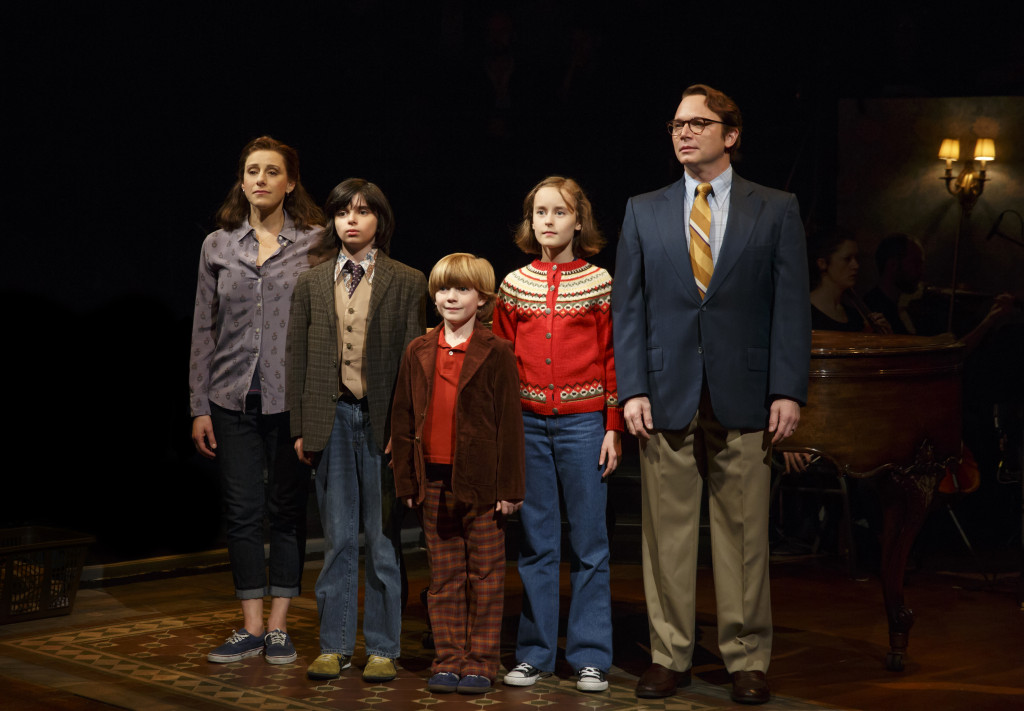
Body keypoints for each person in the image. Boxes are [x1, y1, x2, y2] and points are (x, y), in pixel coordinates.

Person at [611, 84, 811, 705]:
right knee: (666, 534)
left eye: (698, 123)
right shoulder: (643, 209)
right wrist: (632, 389)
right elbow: (629, 308)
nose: (683, 132)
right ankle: (669, 654)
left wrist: (788, 389)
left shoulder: (775, 208)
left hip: (746, 390)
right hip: (666, 390)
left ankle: (746, 657)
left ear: (732, 134)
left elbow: (790, 309)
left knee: (744, 533)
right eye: (676, 123)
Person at [189, 135, 328, 665]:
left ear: (290, 182)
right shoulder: (218, 245)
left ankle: (278, 627)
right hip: (230, 397)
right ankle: (249, 625)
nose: (261, 180)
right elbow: (204, 326)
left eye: (273, 171)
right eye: (253, 171)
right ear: (242, 180)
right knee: (243, 512)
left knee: (287, 511)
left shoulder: (315, 244)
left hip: (289, 398)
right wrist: (198, 404)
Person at [286, 178, 426, 683]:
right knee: (339, 537)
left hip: (382, 422)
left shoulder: (407, 280)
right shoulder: (311, 281)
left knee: (383, 538)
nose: (351, 220)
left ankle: (384, 646)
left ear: (379, 222)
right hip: (332, 418)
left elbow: (415, 363)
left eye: (363, 212)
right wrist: (302, 426)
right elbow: (297, 356)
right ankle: (334, 644)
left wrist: (406, 429)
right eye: (343, 211)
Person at [493, 176, 623, 693]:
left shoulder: (598, 282)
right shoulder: (514, 284)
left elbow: (613, 358)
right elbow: (501, 365)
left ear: (578, 221)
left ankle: (590, 654)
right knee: (536, 543)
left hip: (584, 424)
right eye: (539, 212)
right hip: (527, 426)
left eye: (559, 212)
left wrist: (612, 426)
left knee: (590, 542)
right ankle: (536, 653)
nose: (548, 221)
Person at [391, 253, 525, 695]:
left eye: (462, 288)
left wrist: (510, 488)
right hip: (433, 482)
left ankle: (482, 660)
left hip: (482, 484)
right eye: (444, 288)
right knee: (444, 577)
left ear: (482, 298)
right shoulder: (418, 349)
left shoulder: (497, 351)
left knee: (485, 577)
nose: (451, 296)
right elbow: (404, 417)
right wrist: (408, 482)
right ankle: (448, 659)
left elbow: (509, 424)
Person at [808, 229, 890, 333]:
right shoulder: (803, 313)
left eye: (856, 258)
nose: (856, 265)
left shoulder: (855, 317)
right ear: (822, 263)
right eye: (847, 259)